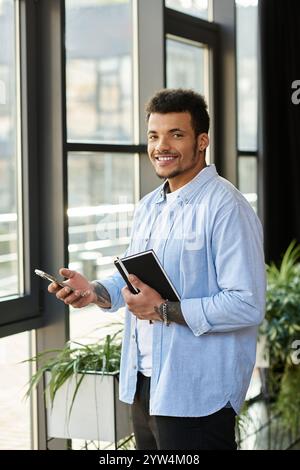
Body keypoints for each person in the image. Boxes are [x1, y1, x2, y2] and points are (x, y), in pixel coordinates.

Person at [48, 89, 266, 450]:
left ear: (202, 141)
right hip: (147, 382)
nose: (161, 146)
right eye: (153, 135)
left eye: (175, 135)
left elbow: (246, 303)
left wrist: (163, 310)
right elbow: (137, 278)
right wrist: (94, 292)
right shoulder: (150, 205)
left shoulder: (227, 207)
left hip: (199, 392)